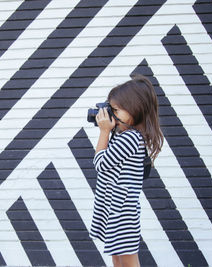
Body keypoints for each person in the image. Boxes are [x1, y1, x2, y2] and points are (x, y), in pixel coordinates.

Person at [89, 75, 164, 267]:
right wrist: (109, 129)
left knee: (128, 258)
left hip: (122, 210)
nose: (111, 115)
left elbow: (101, 163)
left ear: (135, 110)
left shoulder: (130, 138)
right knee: (116, 254)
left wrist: (104, 131)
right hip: (114, 205)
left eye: (115, 110)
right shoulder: (123, 134)